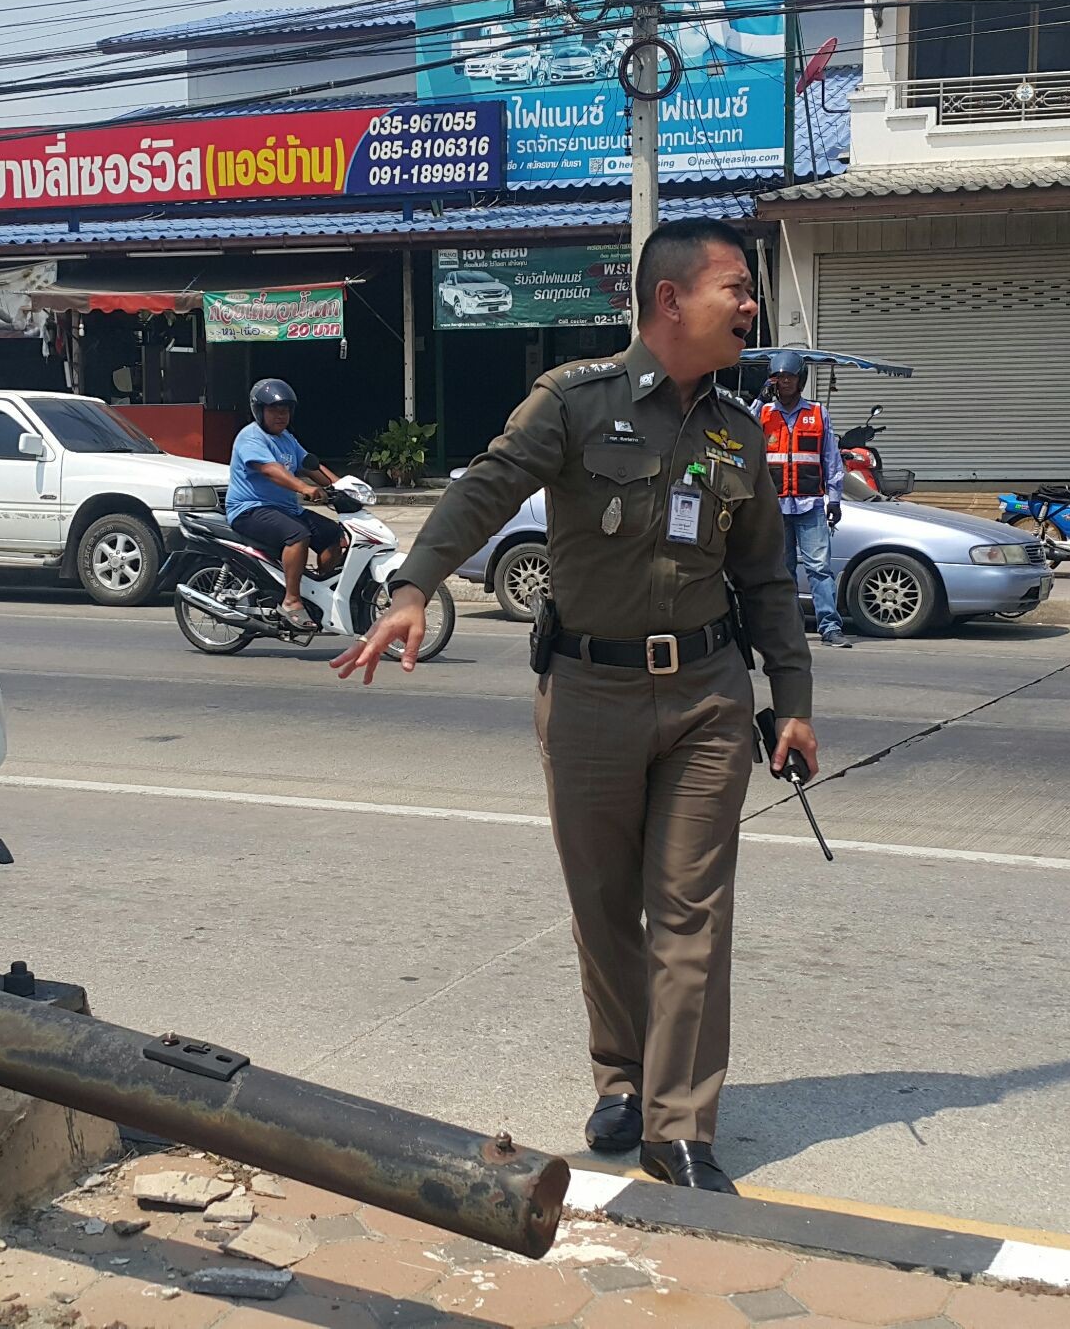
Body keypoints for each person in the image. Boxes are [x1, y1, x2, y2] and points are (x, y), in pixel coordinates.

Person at [333, 217, 817, 1196]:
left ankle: (679, 1127)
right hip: (587, 689)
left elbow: (766, 577)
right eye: (735, 286)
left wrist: (791, 698)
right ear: (670, 300)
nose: (750, 306)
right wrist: (414, 586)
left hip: (707, 696)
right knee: (603, 907)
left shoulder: (736, 431)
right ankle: (623, 1079)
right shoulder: (573, 401)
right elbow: (483, 487)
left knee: (690, 913)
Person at [227, 378, 347, 631]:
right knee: (297, 535)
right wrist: (304, 488)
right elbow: (271, 470)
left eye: (285, 410)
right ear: (259, 411)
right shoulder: (251, 438)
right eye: (274, 410)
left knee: (335, 535)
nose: (281, 415)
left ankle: (317, 593)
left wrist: (343, 486)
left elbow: (310, 465)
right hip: (250, 509)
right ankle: (292, 600)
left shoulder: (286, 438)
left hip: (284, 509)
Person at [760, 349, 849, 648]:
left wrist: (834, 499)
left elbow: (831, 459)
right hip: (774, 507)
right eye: (779, 377)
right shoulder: (762, 413)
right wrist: (759, 398)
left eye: (789, 377)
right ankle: (790, 627)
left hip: (810, 506)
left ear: (800, 380)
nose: (784, 382)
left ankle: (830, 627)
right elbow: (740, 434)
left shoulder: (818, 413)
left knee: (819, 569)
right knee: (782, 571)